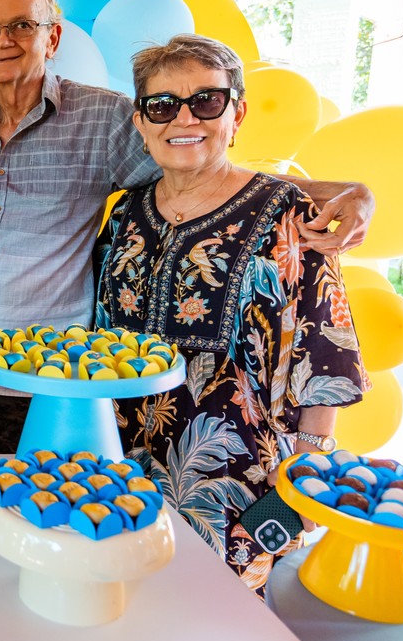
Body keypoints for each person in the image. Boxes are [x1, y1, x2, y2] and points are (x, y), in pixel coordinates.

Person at [0, 0, 376, 455]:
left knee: (49, 509)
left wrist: (344, 191)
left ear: (53, 36)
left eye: (21, 25)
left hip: (54, 381)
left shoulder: (104, 118)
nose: (3, 40)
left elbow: (207, 165)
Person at [95, 34, 368, 596]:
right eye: (163, 105)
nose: (184, 118)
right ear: (141, 122)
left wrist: (302, 486)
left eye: (207, 101)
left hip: (232, 490)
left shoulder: (289, 216)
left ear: (237, 112)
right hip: (117, 476)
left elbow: (325, 354)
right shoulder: (126, 213)